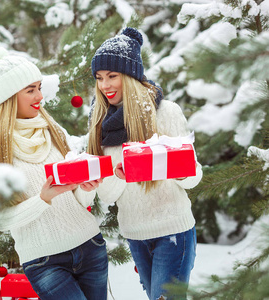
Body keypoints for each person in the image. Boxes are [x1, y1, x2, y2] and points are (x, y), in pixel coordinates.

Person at [0, 46, 108, 300]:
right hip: (45, 261)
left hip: (89, 245)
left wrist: (85, 188)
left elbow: (75, 198)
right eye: (31, 90)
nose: (40, 96)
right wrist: (43, 199)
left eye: (39, 87)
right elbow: (0, 220)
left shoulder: (51, 129)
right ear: (12, 96)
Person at [87, 27, 203, 300]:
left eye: (113, 76)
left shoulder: (166, 113)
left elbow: (194, 176)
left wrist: (166, 161)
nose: (105, 86)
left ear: (131, 75)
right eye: (100, 78)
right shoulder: (99, 123)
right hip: (135, 234)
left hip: (173, 231)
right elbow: (105, 194)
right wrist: (119, 174)